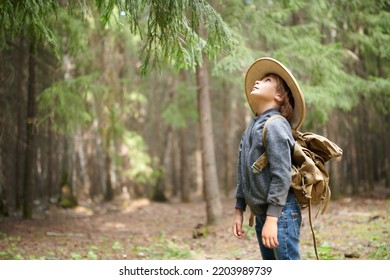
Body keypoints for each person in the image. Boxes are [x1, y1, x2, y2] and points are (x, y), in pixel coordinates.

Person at [232, 57, 306, 260]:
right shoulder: (251, 128)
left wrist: (273, 218)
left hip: (280, 213)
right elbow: (243, 170)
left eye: (266, 81)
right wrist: (239, 208)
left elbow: (282, 174)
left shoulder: (275, 125)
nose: (257, 82)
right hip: (263, 215)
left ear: (280, 96)